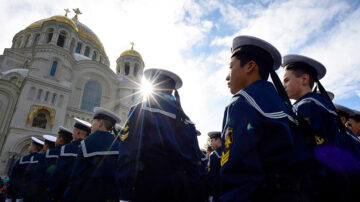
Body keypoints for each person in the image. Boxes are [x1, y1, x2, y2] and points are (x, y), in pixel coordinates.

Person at [220, 36, 305, 201]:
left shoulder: (243, 102)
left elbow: (238, 176)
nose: (227, 76)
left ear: (250, 66)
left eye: (231, 67)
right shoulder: (285, 106)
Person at [116, 68, 202, 202]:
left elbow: (128, 154)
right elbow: (195, 164)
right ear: (172, 90)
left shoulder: (140, 110)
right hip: (181, 193)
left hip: (147, 189)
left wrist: (125, 195)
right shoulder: (188, 121)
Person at [282, 54, 360, 201]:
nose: (283, 85)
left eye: (287, 80)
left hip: (328, 186)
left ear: (304, 79)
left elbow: (317, 153)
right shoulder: (321, 103)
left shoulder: (306, 106)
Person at [63, 107, 120, 202]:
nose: (91, 126)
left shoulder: (86, 143)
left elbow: (76, 178)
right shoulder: (119, 144)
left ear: (101, 122)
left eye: (93, 122)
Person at [47, 118, 91, 201]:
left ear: (78, 132)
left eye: (74, 131)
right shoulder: (91, 148)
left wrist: (53, 193)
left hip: (64, 194)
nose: (72, 134)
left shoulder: (66, 149)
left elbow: (59, 174)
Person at [31, 127, 73, 201]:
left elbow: (38, 175)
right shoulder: (72, 154)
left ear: (61, 139)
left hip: (44, 193)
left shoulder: (47, 153)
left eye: (57, 137)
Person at [6, 137, 43, 202]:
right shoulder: (42, 159)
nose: (28, 147)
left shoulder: (22, 159)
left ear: (34, 147)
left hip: (19, 192)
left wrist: (10, 193)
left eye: (30, 145)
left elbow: (14, 177)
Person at [207, 131, 222, 202]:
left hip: (217, 192)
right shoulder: (230, 151)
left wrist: (211, 193)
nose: (211, 143)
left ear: (218, 139)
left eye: (212, 140)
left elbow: (212, 176)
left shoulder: (214, 155)